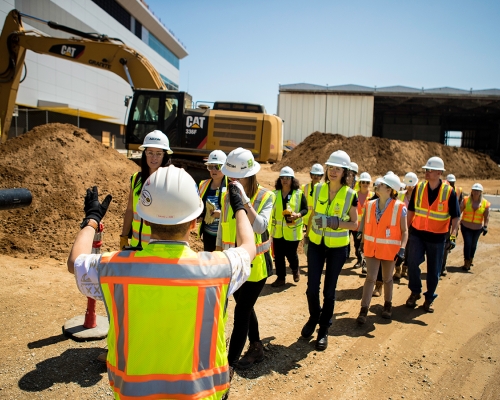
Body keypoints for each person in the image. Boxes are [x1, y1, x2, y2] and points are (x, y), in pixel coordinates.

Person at [68, 165, 256, 399]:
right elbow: (249, 247)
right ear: (194, 223)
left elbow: (75, 262)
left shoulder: (114, 268)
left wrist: (92, 220)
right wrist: (239, 208)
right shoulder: (219, 269)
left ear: (145, 221)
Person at [216, 147, 275, 370]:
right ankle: (257, 345)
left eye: (236, 177)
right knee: (245, 306)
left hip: (257, 268)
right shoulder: (225, 196)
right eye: (229, 176)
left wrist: (244, 200)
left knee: (241, 312)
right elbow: (222, 230)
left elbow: (260, 226)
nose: (231, 181)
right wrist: (218, 255)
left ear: (249, 174)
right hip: (233, 265)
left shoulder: (266, 196)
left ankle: (229, 366)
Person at [302, 150, 358, 351]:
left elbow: (355, 224)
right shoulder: (317, 189)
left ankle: (323, 329)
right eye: (331, 167)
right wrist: (307, 236)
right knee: (311, 288)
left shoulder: (350, 194)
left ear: (345, 172)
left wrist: (334, 222)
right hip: (316, 245)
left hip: (337, 248)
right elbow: (313, 214)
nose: (333, 171)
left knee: (329, 291)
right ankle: (313, 317)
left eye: (338, 168)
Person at [405, 156, 460, 313]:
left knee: (434, 270)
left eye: (429, 170)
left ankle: (429, 298)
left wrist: (453, 236)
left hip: (437, 237)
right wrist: (406, 230)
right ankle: (415, 292)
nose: (426, 172)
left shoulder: (449, 192)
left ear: (439, 173)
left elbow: (456, 216)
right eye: (426, 170)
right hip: (417, 233)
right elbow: (411, 211)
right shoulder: (419, 188)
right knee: (413, 263)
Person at [356, 174, 408, 323]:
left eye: (382, 185)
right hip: (372, 248)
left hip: (389, 250)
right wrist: (361, 237)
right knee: (370, 278)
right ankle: (363, 310)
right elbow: (365, 223)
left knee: (387, 278)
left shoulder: (400, 207)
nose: (378, 185)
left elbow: (404, 231)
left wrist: (402, 248)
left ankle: (388, 305)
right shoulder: (370, 204)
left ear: (390, 189)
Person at [120, 130, 172, 250]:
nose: (154, 157)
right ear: (145, 154)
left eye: (158, 153)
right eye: (150, 152)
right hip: (135, 245)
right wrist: (123, 236)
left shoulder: (168, 182)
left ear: (164, 155)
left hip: (156, 248)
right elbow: (129, 210)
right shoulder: (136, 179)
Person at [270, 166, 308, 287]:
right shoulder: (274, 194)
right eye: (282, 178)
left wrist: (298, 215)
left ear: (292, 179)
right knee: (279, 256)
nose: (285, 180)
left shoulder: (299, 194)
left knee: (291, 254)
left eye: (287, 178)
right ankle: (281, 278)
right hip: (277, 231)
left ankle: (295, 269)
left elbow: (305, 209)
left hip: (293, 231)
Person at [198, 150, 228, 251]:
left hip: (224, 236)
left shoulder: (231, 187)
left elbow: (236, 212)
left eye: (217, 167)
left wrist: (221, 214)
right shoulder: (203, 185)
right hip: (208, 234)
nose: (213, 170)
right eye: (210, 167)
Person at [460, 183, 490, 271]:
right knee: (468, 243)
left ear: (481, 192)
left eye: (478, 191)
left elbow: (486, 216)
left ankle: (471, 259)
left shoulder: (485, 203)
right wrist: (457, 224)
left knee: (473, 245)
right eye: (474, 190)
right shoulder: (465, 200)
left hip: (478, 228)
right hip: (466, 226)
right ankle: (466, 262)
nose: (476, 192)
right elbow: (459, 211)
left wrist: (485, 226)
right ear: (471, 191)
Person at [394, 172, 418, 280]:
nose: (410, 187)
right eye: (408, 185)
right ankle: (397, 268)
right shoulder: (400, 194)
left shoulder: (419, 196)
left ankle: (405, 268)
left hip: (414, 226)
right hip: (401, 225)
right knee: (399, 247)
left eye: (412, 185)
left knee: (410, 248)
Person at [440, 173, 464, 277]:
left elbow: (459, 206)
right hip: (443, 220)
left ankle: (442, 267)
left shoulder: (458, 191)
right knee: (443, 244)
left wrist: (455, 232)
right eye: (451, 182)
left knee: (448, 244)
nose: (452, 184)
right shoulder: (443, 190)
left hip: (453, 220)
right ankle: (440, 267)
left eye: (453, 183)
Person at [353, 172, 373, 269]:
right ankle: (359, 260)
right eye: (363, 182)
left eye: (367, 182)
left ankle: (365, 263)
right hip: (356, 226)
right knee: (357, 245)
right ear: (360, 183)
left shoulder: (372, 196)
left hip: (368, 227)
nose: (365, 184)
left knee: (366, 245)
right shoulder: (354, 195)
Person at [302, 164, 324, 228]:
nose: (316, 176)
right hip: (307, 218)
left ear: (321, 176)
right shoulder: (305, 187)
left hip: (318, 217)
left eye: (318, 175)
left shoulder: (324, 188)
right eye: (314, 174)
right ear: (311, 175)